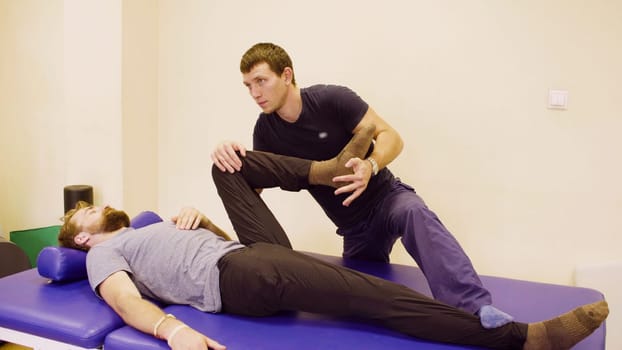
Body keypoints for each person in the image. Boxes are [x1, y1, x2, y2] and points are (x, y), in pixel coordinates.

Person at [58, 137, 608, 350]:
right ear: (82, 236)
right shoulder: (104, 254)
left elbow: (211, 250)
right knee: (368, 293)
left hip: (242, 255)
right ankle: (523, 338)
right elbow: (125, 301)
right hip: (242, 279)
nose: (98, 205)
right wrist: (175, 331)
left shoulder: (143, 229)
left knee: (228, 162)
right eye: (87, 210)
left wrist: (201, 222)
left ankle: (322, 169)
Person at [211, 42, 512, 328]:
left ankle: (474, 306)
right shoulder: (266, 131)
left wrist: (371, 164)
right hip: (353, 229)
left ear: (286, 75)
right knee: (359, 299)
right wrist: (232, 157)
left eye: (261, 81)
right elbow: (255, 190)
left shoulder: (331, 100)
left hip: (387, 200)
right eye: (248, 85)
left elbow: (391, 136)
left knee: (414, 212)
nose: (254, 92)